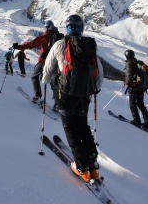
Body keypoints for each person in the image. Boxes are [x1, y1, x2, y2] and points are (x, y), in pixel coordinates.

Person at [42, 14, 104, 183]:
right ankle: (93, 166)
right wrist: (95, 88)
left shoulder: (60, 44)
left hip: (65, 96)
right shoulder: (89, 46)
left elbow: (47, 70)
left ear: (67, 28)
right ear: (81, 28)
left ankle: (81, 167)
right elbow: (99, 72)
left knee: (71, 130)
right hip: (84, 96)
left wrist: (47, 81)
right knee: (83, 127)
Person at [13, 20, 63, 103]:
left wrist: (18, 47)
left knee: (34, 77)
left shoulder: (44, 37)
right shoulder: (60, 36)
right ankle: (57, 102)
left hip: (44, 62)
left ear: (46, 28)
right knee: (54, 81)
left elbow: (31, 44)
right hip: (56, 63)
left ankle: (38, 96)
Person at [124, 50, 148, 129]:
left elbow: (129, 75)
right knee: (141, 104)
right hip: (142, 87)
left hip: (134, 87)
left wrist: (127, 83)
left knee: (132, 104)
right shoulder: (138, 63)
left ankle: (137, 121)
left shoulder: (130, 63)